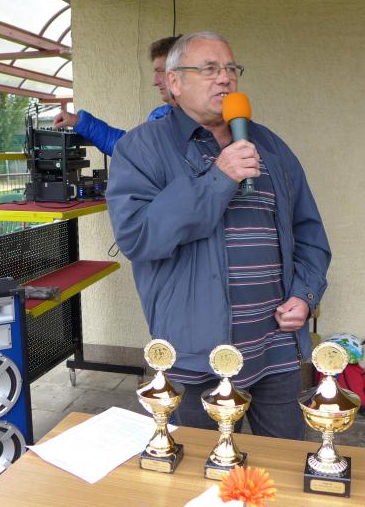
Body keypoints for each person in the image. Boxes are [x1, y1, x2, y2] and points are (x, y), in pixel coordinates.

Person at [107, 31, 331, 439]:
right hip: (197, 356)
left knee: (283, 464)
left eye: (231, 68)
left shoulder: (270, 146)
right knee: (205, 465)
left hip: (276, 349)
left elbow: (309, 232)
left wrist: (305, 294)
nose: (225, 78)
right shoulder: (140, 149)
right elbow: (139, 237)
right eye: (209, 69)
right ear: (174, 82)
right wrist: (219, 179)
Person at [52, 36, 179, 156]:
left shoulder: (187, 120)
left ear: (179, 72)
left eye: (160, 71)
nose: (155, 82)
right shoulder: (160, 116)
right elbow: (131, 150)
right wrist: (78, 121)